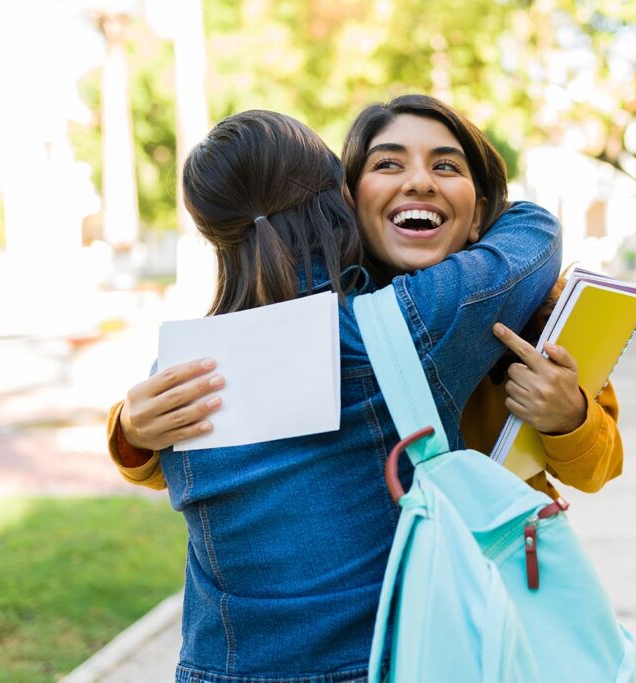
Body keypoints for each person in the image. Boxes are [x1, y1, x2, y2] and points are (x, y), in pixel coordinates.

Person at [112, 104, 561, 681]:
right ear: (341, 198)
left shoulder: (178, 367)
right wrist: (475, 209)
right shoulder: (407, 322)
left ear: (211, 229)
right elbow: (536, 232)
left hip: (221, 666)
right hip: (380, 661)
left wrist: (126, 430)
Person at [110, 95, 623, 503]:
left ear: (478, 214)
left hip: (495, 588)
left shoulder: (539, 317)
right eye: (388, 165)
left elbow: (601, 467)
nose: (419, 182)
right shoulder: (321, 317)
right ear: (348, 202)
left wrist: (569, 416)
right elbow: (219, 444)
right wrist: (134, 430)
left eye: (446, 166)